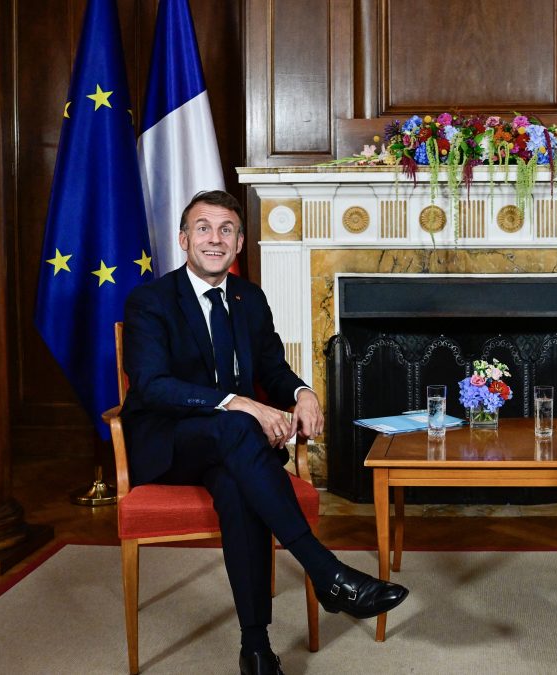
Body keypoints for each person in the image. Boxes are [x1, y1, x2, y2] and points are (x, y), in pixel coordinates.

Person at [121, 190, 409, 675]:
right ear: (184, 239)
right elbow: (151, 386)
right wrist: (241, 403)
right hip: (169, 443)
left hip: (232, 448)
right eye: (204, 228)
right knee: (236, 428)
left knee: (238, 486)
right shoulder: (151, 300)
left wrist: (302, 393)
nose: (215, 239)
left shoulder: (247, 298)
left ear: (237, 245)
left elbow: (274, 368)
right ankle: (325, 571)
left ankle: (255, 649)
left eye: (227, 230)